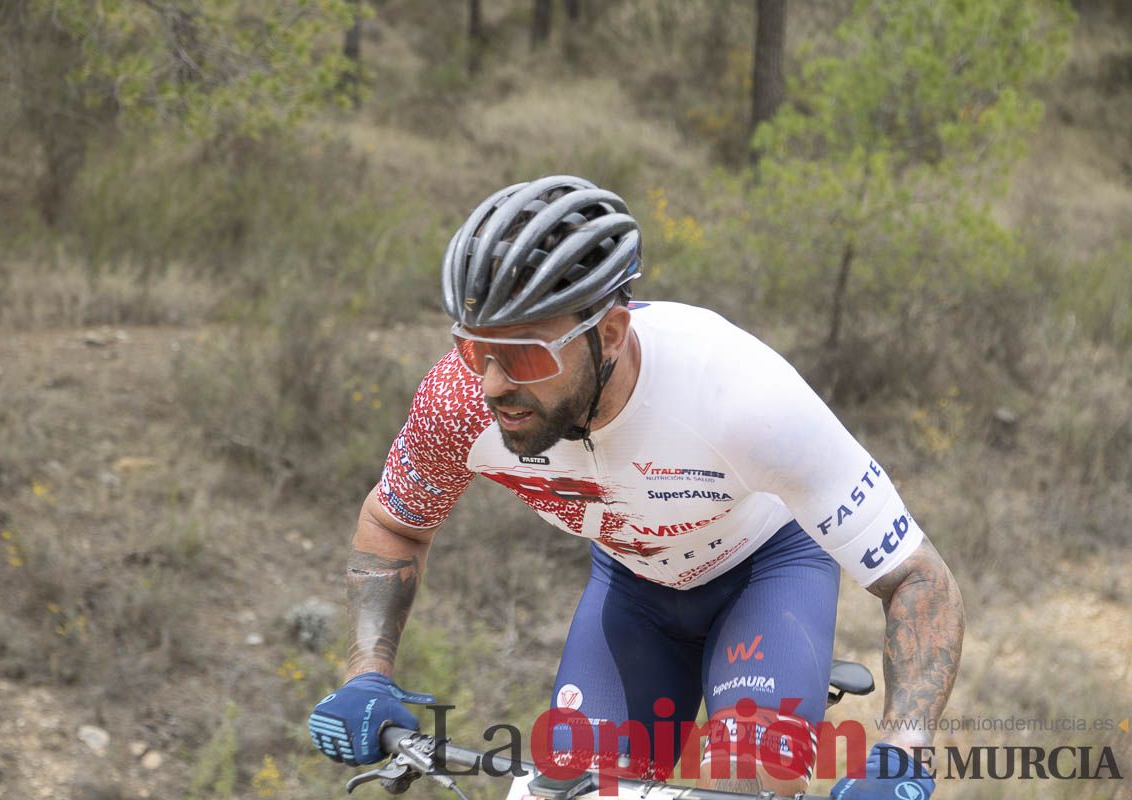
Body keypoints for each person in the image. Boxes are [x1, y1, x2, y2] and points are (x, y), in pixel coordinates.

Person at [308, 175, 965, 798]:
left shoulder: (739, 396)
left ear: (611, 334)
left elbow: (917, 578)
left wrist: (903, 752)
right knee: (570, 787)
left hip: (768, 571)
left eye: (525, 355)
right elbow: (396, 524)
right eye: (474, 347)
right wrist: (367, 672)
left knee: (744, 781)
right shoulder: (459, 404)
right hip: (632, 590)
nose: (492, 384)